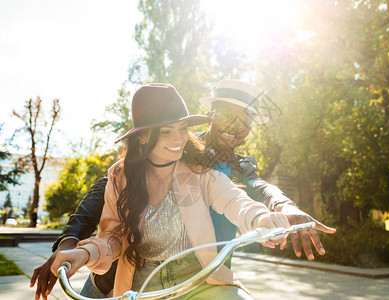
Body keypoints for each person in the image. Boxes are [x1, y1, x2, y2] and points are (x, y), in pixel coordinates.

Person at [31, 80, 336, 300]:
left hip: (202, 277)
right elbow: (105, 213)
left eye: (246, 121)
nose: (237, 127)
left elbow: (244, 195)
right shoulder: (142, 164)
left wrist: (275, 213)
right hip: (128, 272)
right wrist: (71, 249)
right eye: (229, 115)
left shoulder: (214, 168)